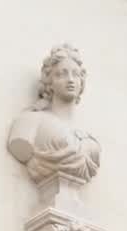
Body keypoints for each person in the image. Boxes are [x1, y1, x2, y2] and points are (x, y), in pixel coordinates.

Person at [7, 44, 101, 185]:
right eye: (61, 74)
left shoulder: (88, 139)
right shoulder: (30, 121)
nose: (70, 79)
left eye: (75, 74)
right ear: (49, 82)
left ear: (81, 82)